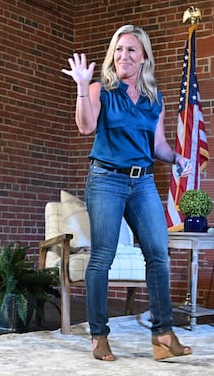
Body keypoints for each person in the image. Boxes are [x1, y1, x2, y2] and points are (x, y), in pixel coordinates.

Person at [61, 24, 193, 361]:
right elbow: (86, 127)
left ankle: (163, 335)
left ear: (144, 57)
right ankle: (98, 336)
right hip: (106, 179)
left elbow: (158, 144)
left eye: (131, 50)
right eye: (118, 50)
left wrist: (175, 157)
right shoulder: (98, 90)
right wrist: (80, 86)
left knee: (158, 254)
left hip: (143, 181)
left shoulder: (153, 98)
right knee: (102, 257)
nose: (124, 56)